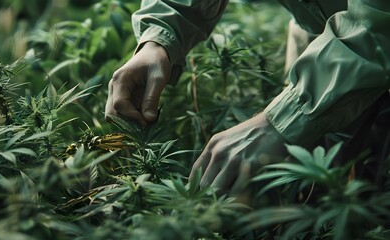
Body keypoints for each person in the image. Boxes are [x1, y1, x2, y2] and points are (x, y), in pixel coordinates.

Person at [105, 0, 390, 202]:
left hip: (365, 45)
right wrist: (160, 37)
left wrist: (285, 117)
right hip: (322, 41)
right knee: (317, 193)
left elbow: (379, 21)